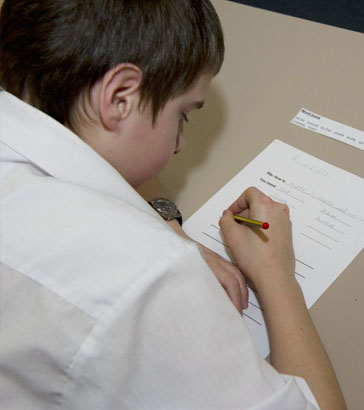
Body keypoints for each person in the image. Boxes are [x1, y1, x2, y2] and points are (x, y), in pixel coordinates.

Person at [0, 1, 346, 409]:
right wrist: (276, 274)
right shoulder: (149, 281)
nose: (181, 144)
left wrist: (166, 221)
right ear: (119, 98)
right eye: (183, 114)